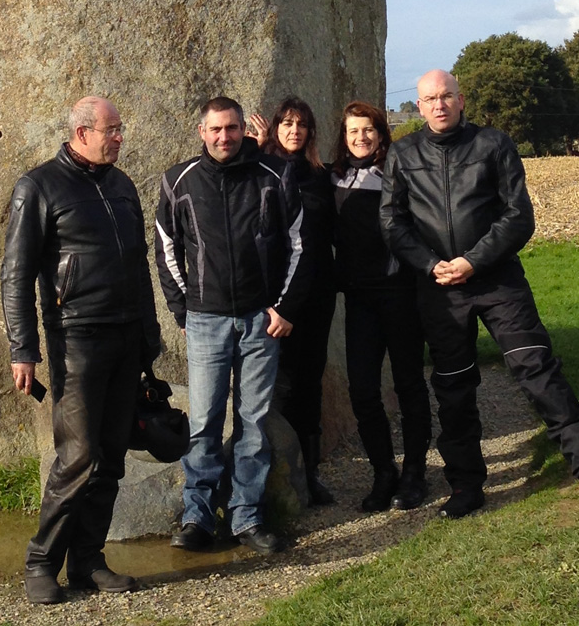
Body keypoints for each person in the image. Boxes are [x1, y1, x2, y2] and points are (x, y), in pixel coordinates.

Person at [380, 70, 579, 519]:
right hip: (438, 287)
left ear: (461, 99)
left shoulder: (493, 145)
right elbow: (393, 223)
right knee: (453, 387)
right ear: (418, 106)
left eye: (447, 96)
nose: (439, 105)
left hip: (497, 279)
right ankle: (466, 485)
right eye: (430, 99)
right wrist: (432, 264)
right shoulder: (403, 153)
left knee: (536, 367)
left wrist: (473, 260)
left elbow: (517, 215)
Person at [0, 96, 161, 604]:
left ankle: (88, 563)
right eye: (111, 130)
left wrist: (148, 336)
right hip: (75, 340)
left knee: (112, 457)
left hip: (125, 337)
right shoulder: (39, 186)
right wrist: (23, 348)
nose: (119, 137)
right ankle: (41, 563)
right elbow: (16, 274)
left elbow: (139, 266)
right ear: (81, 132)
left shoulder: (122, 185)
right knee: (78, 457)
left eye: (120, 129)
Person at [156, 96, 308, 555]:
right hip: (205, 319)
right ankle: (197, 518)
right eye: (216, 129)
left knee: (254, 423)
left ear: (244, 130)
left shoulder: (274, 175)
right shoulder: (177, 181)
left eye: (233, 129)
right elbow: (166, 249)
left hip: (262, 319)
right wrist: (183, 310)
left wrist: (284, 308)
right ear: (202, 132)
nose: (225, 137)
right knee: (203, 421)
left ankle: (247, 517)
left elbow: (300, 246)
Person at [329, 100, 433, 512]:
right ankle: (383, 471)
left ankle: (415, 473)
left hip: (399, 292)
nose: (361, 137)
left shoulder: (397, 172)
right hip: (360, 298)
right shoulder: (336, 176)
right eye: (353, 131)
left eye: (368, 129)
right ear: (344, 136)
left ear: (381, 132)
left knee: (408, 384)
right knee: (362, 389)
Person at [247, 97, 337, 506]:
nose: (294, 131)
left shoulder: (321, 176)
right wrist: (257, 148)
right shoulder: (264, 170)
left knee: (308, 385)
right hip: (273, 300)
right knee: (268, 384)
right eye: (286, 123)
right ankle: (263, 480)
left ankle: (309, 476)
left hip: (315, 296)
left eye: (301, 124)